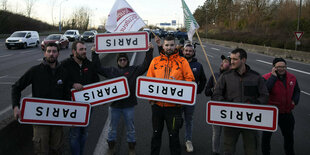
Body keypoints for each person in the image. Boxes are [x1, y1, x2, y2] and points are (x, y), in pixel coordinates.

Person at [92, 43, 154, 155]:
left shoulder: (133, 70)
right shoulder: (111, 70)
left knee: (131, 128)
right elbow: (97, 68)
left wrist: (149, 51)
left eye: (124, 59)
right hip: (114, 106)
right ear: (117, 61)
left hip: (128, 106)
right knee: (111, 129)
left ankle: (131, 148)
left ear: (127, 60)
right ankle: (111, 148)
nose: (122, 61)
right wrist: (94, 53)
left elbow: (146, 64)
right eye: (120, 60)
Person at [11, 42, 70, 155]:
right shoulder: (35, 71)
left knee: (57, 148)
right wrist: (15, 106)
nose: (51, 54)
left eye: (54, 51)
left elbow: (67, 94)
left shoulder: (64, 72)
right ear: (45, 53)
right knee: (41, 149)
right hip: (39, 118)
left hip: (58, 117)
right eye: (49, 51)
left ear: (58, 54)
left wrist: (69, 115)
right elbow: (16, 87)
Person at [212, 48, 269, 155]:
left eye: (235, 59)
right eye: (231, 59)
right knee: (228, 151)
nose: (231, 62)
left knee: (252, 150)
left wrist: (253, 105)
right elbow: (216, 94)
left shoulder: (256, 77)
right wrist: (227, 105)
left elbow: (264, 96)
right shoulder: (225, 76)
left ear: (243, 60)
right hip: (231, 121)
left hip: (250, 121)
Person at [147, 35, 195, 155]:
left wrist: (179, 84)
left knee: (174, 136)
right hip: (157, 107)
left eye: (171, 45)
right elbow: (148, 82)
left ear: (176, 46)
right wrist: (151, 99)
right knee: (156, 134)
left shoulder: (182, 61)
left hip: (174, 108)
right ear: (163, 46)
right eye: (167, 45)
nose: (169, 47)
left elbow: (191, 80)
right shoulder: (155, 61)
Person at [61, 41, 99, 155]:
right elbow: (60, 82)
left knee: (84, 133)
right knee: (74, 133)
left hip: (88, 105)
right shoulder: (65, 64)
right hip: (73, 105)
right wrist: (72, 84)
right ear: (74, 52)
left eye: (85, 49)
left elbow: (96, 81)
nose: (84, 52)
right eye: (81, 49)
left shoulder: (89, 64)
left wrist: (101, 98)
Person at [261, 58, 300, 155]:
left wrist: (295, 101)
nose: (281, 69)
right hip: (271, 114)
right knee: (266, 138)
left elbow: (297, 91)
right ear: (274, 67)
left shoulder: (292, 78)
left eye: (283, 67)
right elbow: (265, 91)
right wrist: (273, 77)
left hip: (286, 113)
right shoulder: (266, 77)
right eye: (278, 67)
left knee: (289, 138)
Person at [181, 43, 207, 152]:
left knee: (189, 120)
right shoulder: (177, 63)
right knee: (175, 120)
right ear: (183, 51)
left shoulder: (198, 66)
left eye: (190, 51)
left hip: (190, 99)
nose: (188, 52)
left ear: (193, 52)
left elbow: (203, 80)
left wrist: (196, 91)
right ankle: (174, 140)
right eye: (186, 50)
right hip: (176, 98)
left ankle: (188, 141)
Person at [205, 55, 231, 155]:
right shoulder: (214, 75)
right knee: (216, 133)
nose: (221, 63)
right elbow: (207, 92)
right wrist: (213, 89)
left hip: (229, 109)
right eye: (222, 61)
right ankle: (215, 152)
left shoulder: (234, 77)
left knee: (228, 134)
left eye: (225, 61)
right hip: (216, 108)